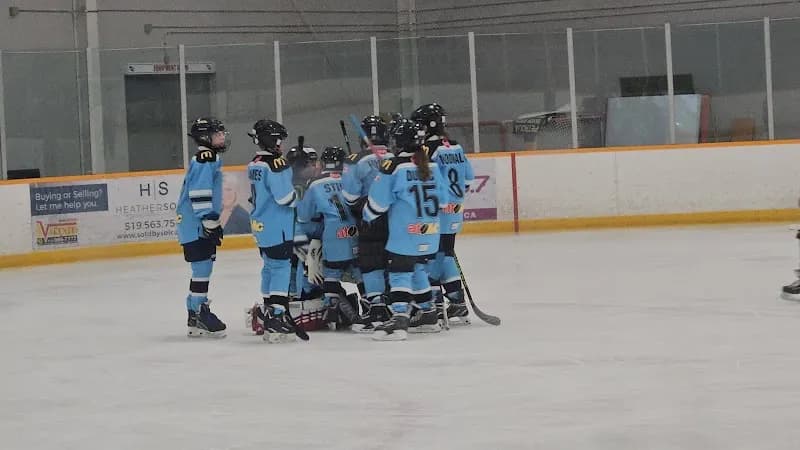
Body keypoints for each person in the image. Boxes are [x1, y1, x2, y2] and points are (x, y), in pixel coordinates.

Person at [363, 119, 449, 341]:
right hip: (430, 235)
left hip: (405, 235)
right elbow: (444, 201)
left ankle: (400, 317)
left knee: (399, 273)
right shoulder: (431, 165)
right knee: (418, 270)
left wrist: (366, 217)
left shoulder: (393, 167)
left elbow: (377, 205)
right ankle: (428, 314)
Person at [412, 103, 475, 324]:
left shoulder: (429, 149)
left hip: (437, 211)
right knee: (445, 253)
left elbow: (425, 180)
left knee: (431, 255)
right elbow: (468, 179)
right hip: (455, 210)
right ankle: (457, 301)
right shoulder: (455, 146)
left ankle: (435, 302)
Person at [246, 119, 300, 343]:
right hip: (278, 226)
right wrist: (300, 191)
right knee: (280, 268)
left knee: (269, 266)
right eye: (279, 140)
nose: (282, 145)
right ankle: (276, 316)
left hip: (261, 225)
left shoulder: (255, 163)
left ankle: (268, 311)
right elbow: (285, 197)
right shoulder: (276, 164)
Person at [297, 146, 362, 330]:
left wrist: (318, 230)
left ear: (323, 163)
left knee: (331, 273)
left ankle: (336, 311)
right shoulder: (351, 178)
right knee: (360, 273)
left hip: (333, 234)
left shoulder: (314, 183)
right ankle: (372, 308)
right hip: (356, 231)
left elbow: (304, 216)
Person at [176, 117, 229, 338]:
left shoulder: (206, 158)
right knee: (202, 268)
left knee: (203, 267)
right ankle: (198, 312)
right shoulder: (207, 158)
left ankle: (195, 311)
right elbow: (199, 191)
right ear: (206, 137)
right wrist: (208, 220)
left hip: (195, 223)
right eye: (218, 133)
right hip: (196, 224)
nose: (222, 137)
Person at [342, 115, 394, 333]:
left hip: (369, 218)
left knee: (372, 262)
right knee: (395, 261)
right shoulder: (396, 156)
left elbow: (349, 196)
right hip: (396, 218)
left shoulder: (355, 159)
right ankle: (399, 303)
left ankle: (378, 308)